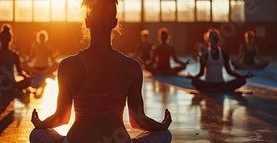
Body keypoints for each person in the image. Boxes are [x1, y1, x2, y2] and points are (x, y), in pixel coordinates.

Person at [30, 0, 172, 143]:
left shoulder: (68, 65)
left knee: (36, 133)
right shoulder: (131, 66)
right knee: (165, 134)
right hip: (118, 140)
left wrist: (40, 124)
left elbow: (62, 117)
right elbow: (138, 121)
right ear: (114, 23)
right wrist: (162, 125)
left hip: (76, 140)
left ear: (87, 22)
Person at [187, 28, 253, 92]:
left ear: (218, 40)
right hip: (208, 84)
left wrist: (242, 76)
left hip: (221, 84)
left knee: (242, 80)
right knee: (194, 81)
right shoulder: (205, 55)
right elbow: (201, 73)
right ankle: (219, 89)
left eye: (216, 38)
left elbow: (229, 71)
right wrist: (192, 77)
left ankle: (216, 89)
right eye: (213, 38)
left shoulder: (224, 54)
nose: (214, 40)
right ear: (209, 40)